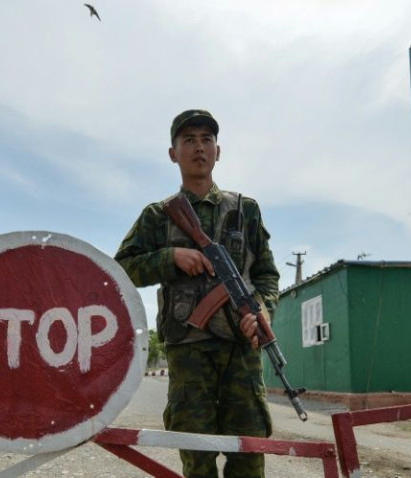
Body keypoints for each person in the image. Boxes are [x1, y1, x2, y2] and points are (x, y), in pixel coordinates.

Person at [114, 109, 279, 478]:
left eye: (207, 139)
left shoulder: (245, 210)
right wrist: (170, 257)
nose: (199, 148)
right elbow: (121, 267)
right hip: (188, 354)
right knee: (197, 459)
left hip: (242, 351)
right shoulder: (158, 216)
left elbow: (267, 275)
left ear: (218, 151)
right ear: (173, 153)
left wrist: (265, 311)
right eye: (189, 140)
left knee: (249, 455)